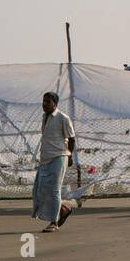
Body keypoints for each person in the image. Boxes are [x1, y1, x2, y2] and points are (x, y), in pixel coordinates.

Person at [33, 92, 77, 233]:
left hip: (59, 157)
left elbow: (71, 139)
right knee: (40, 189)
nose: (44, 104)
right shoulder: (44, 117)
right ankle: (64, 209)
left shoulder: (63, 118)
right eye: (43, 101)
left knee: (54, 189)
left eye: (47, 101)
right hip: (46, 158)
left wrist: (69, 157)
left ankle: (54, 222)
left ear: (55, 103)